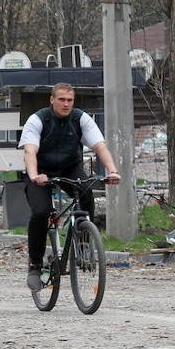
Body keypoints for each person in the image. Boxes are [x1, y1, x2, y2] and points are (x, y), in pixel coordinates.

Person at [19, 83, 121, 291]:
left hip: (69, 168)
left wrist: (112, 171)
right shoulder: (38, 119)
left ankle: (83, 243)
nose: (66, 104)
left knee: (86, 191)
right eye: (61, 99)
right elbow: (30, 151)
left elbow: (99, 146)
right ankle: (35, 265)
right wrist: (34, 175)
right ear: (52, 99)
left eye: (70, 100)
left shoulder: (80, 119)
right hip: (41, 170)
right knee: (41, 212)